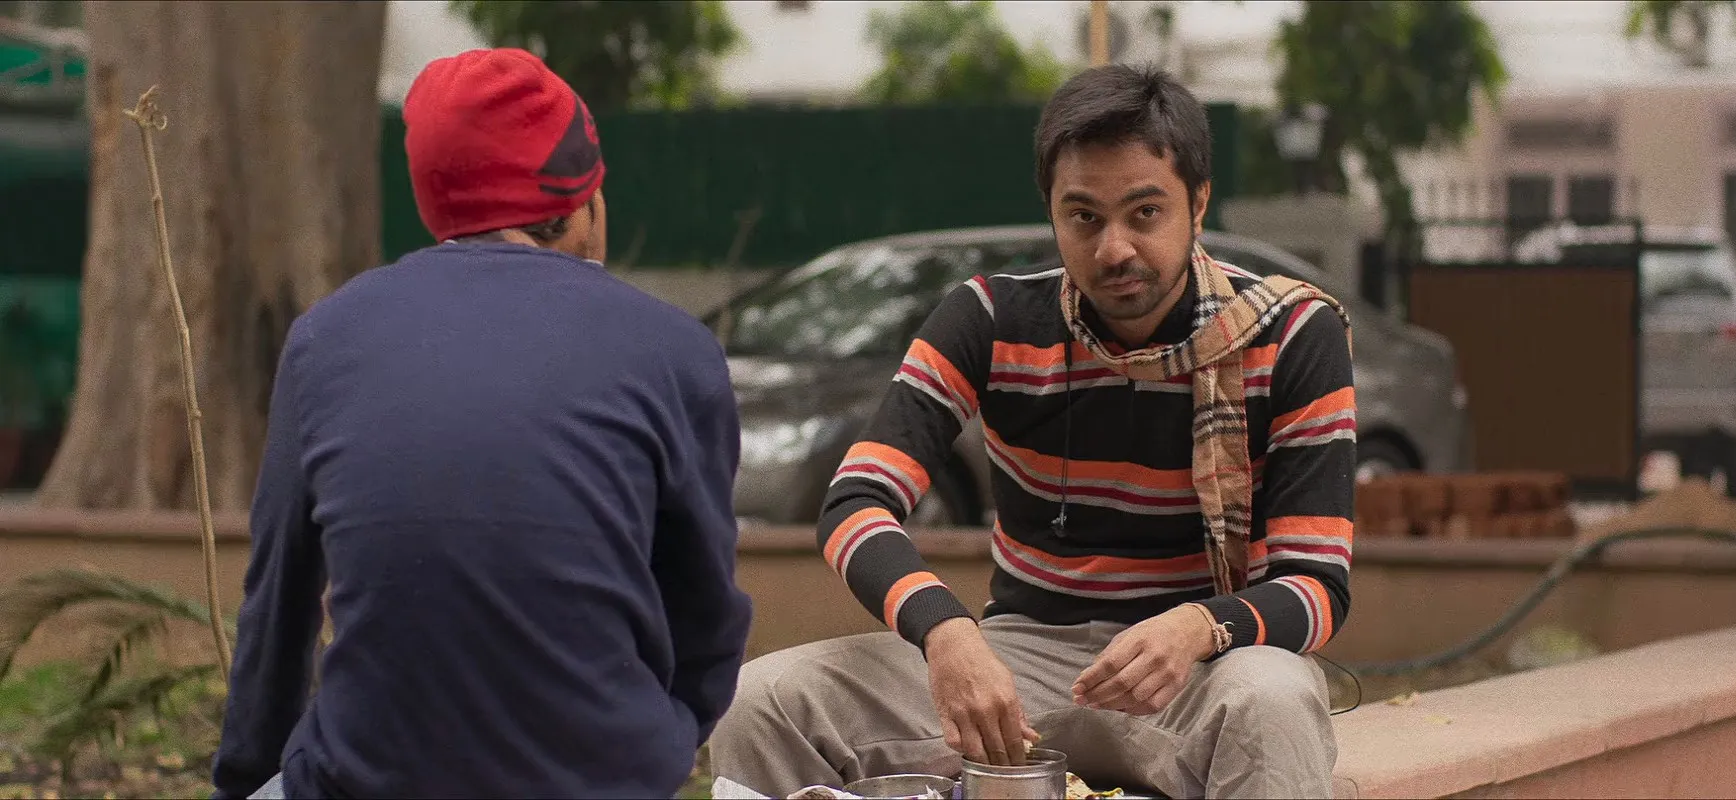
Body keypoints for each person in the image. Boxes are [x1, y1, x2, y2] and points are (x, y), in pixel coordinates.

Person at [707, 64, 1356, 800]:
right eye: (1084, 217)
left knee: (1273, 698)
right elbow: (855, 503)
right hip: (1021, 661)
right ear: (1051, 211)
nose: (1114, 249)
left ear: (1198, 203)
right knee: (764, 703)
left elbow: (1317, 586)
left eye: (1145, 212)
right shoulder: (988, 319)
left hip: (1202, 672)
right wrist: (946, 633)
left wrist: (1196, 628)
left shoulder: (1292, 333)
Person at [210, 48, 753, 799]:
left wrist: (245, 780)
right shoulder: (674, 351)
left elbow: (278, 609)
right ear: (586, 204)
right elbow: (706, 613)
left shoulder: (324, 341)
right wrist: (655, 740)